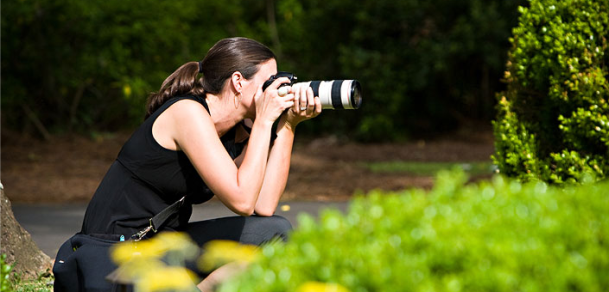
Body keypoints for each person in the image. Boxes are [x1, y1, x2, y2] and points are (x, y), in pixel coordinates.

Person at [80, 37, 322, 290]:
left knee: (276, 231)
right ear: (238, 82)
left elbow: (262, 206)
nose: (277, 90)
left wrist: (288, 126)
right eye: (269, 82)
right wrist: (263, 121)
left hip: (165, 243)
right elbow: (242, 200)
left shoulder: (231, 133)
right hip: (117, 248)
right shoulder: (188, 113)